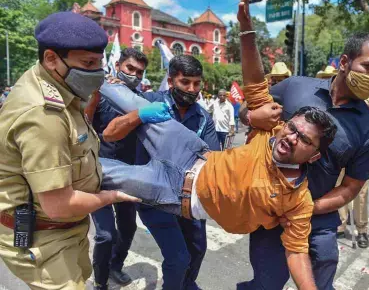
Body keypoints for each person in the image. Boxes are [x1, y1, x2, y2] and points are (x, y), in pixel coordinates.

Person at [96, 59, 337, 290]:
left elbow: (296, 251)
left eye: (304, 139)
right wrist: (245, 27)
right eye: (292, 128)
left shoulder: (297, 202)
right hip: (188, 152)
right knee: (123, 97)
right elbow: (255, 83)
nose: (292, 137)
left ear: (314, 155)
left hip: (172, 192)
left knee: (95, 171)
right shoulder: (268, 131)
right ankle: (84, 68)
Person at [237, 0, 369, 287]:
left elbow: (350, 187)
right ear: (345, 61)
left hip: (318, 223)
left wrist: (307, 207)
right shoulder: (295, 87)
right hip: (269, 213)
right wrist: (252, 117)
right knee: (265, 285)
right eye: (368, 67)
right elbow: (249, 107)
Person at [0, 12, 139, 290]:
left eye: (99, 63)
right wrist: (110, 196)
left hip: (64, 229)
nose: (97, 72)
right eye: (87, 63)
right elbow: (59, 205)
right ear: (51, 58)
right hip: (44, 236)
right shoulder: (43, 114)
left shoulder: (59, 85)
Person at [102, 55, 219, 290]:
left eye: (196, 83)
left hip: (188, 197)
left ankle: (185, 285)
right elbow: (109, 134)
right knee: (178, 259)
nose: (191, 89)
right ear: (170, 81)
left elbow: (214, 161)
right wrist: (140, 116)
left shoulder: (203, 118)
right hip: (154, 196)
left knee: (197, 252)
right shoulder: (148, 101)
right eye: (185, 82)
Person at [84, 47, 148, 289]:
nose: (134, 75)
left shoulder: (141, 100)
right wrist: (95, 96)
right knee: (105, 234)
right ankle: (100, 281)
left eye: (139, 72)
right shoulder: (102, 91)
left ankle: (115, 266)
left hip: (128, 174)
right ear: (119, 66)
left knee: (128, 228)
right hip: (98, 173)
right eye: (130, 69)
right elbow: (85, 124)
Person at [336, 93, 369, 248]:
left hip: (362, 148)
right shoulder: (339, 90)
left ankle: (361, 230)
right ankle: (340, 225)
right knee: (339, 187)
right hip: (341, 145)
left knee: (360, 192)